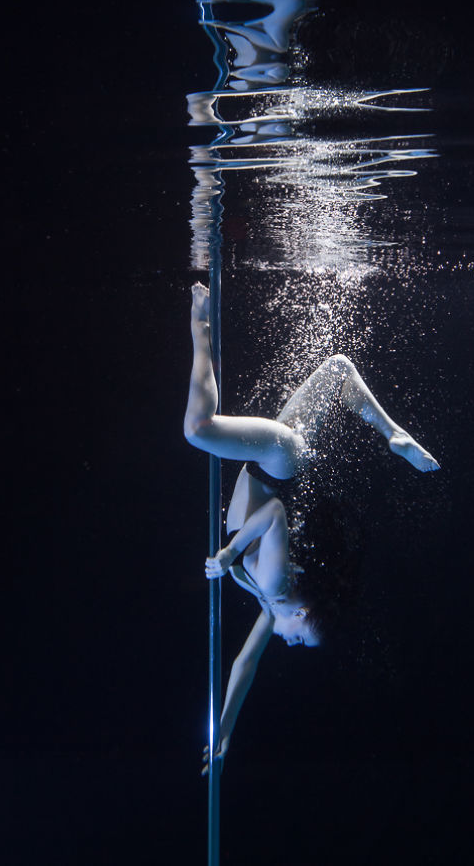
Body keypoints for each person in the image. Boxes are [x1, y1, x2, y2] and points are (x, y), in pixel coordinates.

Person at [184, 282, 439, 771]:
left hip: (280, 459)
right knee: (198, 430)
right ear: (300, 617)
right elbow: (273, 515)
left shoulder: (270, 600)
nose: (289, 643)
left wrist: (224, 732)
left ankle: (392, 431)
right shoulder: (278, 587)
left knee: (338, 368)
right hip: (275, 459)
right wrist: (230, 555)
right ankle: (201, 326)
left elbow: (245, 665)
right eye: (300, 639)